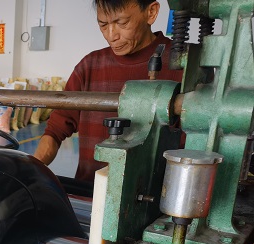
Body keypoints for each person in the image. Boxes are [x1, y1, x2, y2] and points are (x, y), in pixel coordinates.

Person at [34, 0, 183, 182]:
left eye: (122, 23)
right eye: (103, 25)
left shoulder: (182, 65)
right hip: (89, 192)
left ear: (151, 12)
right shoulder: (89, 66)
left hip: (155, 196)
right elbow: (55, 129)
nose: (111, 35)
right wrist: (30, 170)